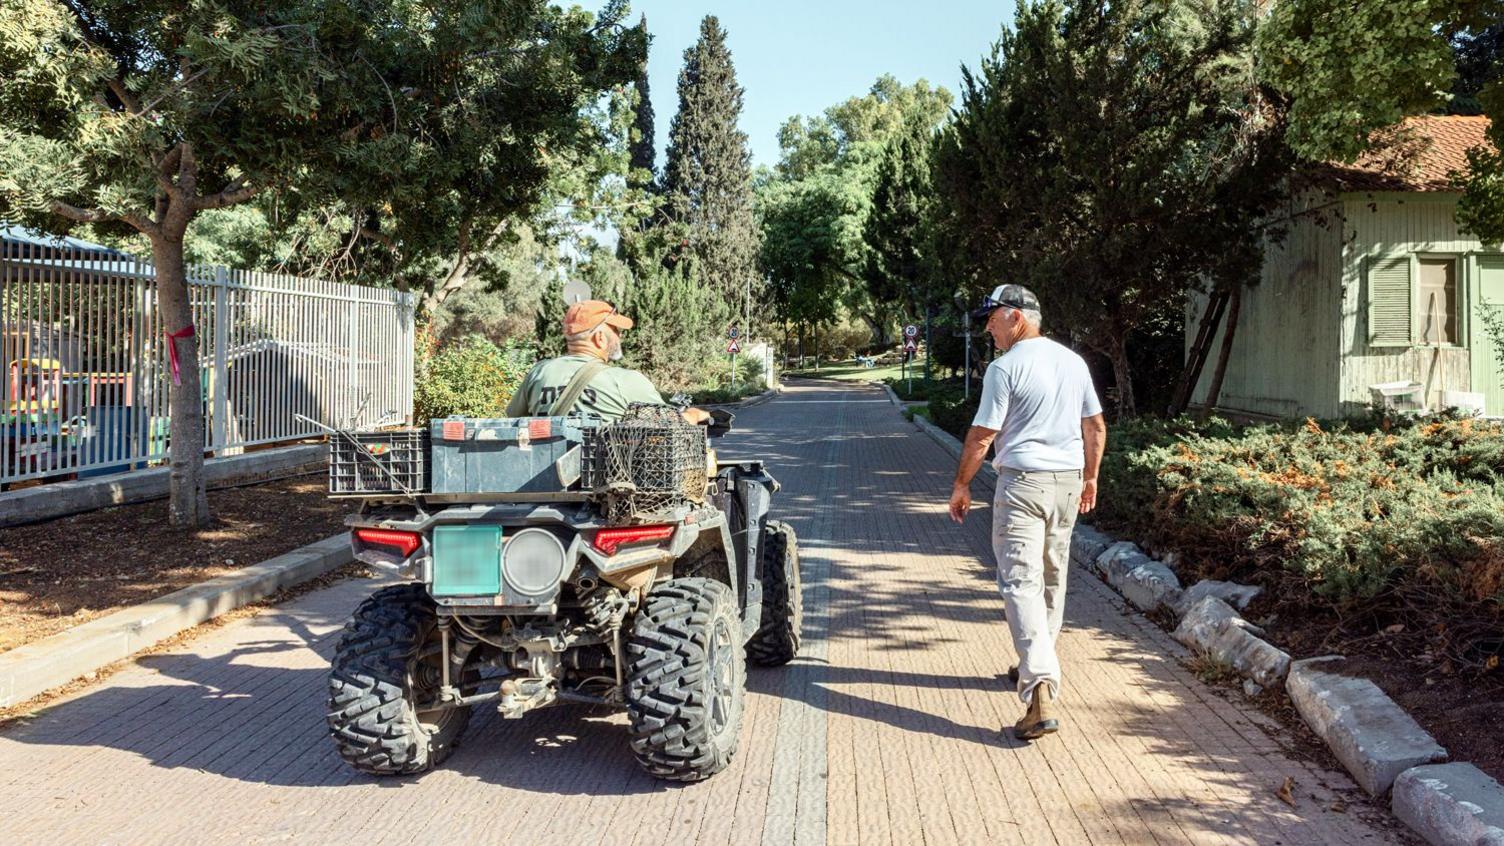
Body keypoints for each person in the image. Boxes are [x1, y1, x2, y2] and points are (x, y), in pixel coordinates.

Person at [947, 283, 1107, 741]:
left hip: (1023, 486)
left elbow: (982, 435)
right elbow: (1094, 426)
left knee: (1019, 580)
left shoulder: (1005, 368)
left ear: (1015, 317)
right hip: (1067, 482)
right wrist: (1091, 477)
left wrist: (961, 485)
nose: (988, 328)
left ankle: (1039, 691)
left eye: (992, 318)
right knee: (1052, 577)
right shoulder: (1072, 362)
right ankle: (1035, 659)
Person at [505, 299, 710, 424]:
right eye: (616, 331)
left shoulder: (539, 373)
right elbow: (670, 425)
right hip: (606, 487)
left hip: (544, 484)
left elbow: (512, 420)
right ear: (599, 338)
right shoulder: (625, 381)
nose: (620, 337)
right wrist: (693, 415)